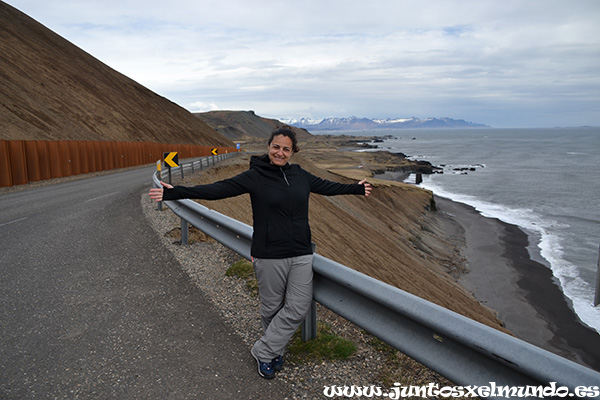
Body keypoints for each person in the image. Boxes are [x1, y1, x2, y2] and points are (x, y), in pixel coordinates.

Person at [149, 127, 371, 379]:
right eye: (276, 147)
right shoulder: (255, 176)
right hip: (269, 254)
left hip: (301, 253)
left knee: (298, 307)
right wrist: (174, 192)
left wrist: (356, 188)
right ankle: (274, 352)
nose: (280, 152)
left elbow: (328, 186)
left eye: (286, 149)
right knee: (271, 308)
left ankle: (263, 351)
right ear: (269, 147)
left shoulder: (300, 175)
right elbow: (218, 189)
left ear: (292, 152)